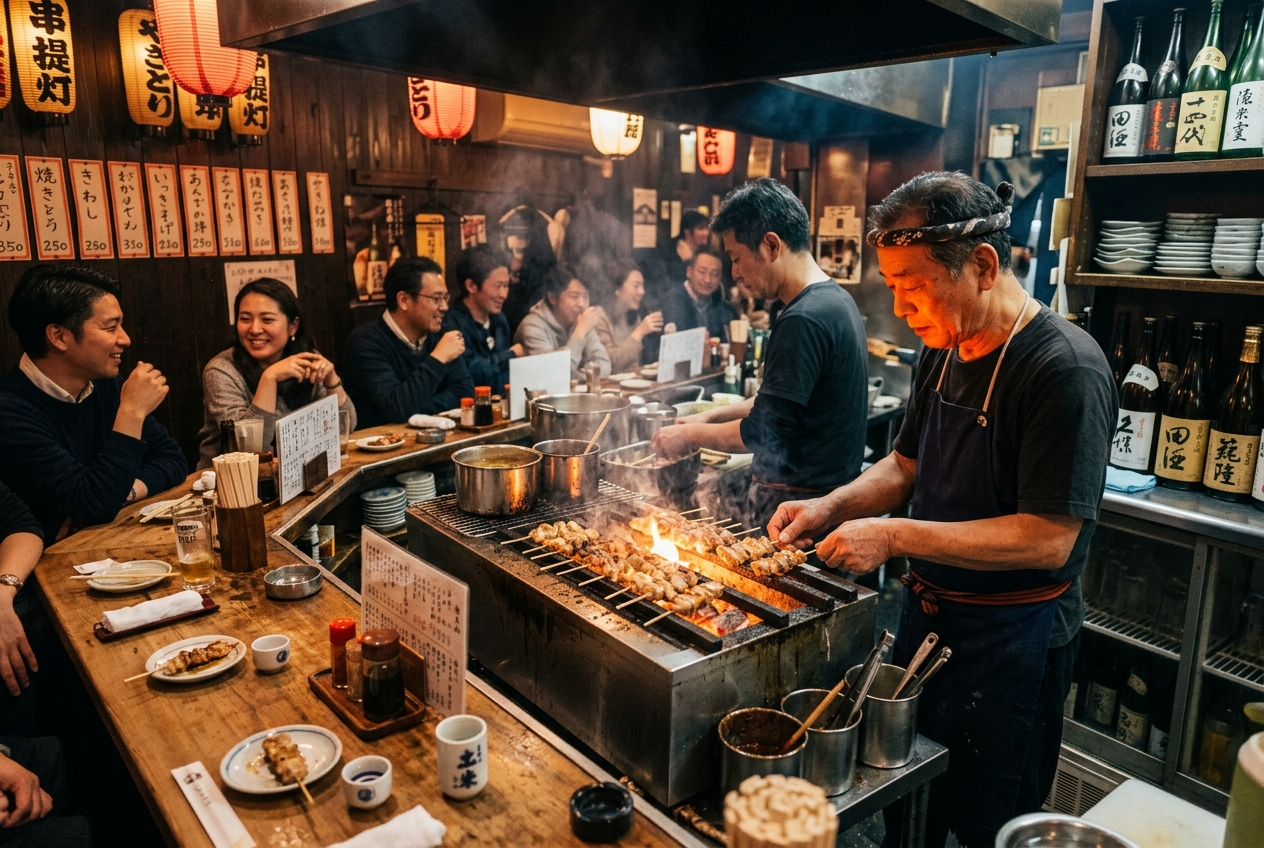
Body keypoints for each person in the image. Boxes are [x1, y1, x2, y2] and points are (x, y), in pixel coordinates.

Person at [769, 172, 1116, 848]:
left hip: (1013, 644)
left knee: (983, 825)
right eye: (893, 286)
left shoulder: (1063, 369)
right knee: (906, 802)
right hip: (929, 620)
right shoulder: (942, 348)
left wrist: (894, 536)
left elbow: (1048, 538)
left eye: (914, 285)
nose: (901, 308)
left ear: (983, 265)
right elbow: (904, 466)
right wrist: (828, 508)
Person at [652, 179, 868, 529]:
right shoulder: (835, 300)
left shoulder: (803, 319)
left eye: (737, 259)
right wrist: (707, 418)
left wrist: (687, 435)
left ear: (771, 245)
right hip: (820, 498)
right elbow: (777, 405)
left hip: (796, 508)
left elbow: (762, 432)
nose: (734, 274)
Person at [0, 264, 186, 542]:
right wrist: (132, 412)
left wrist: (123, 492)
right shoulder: (10, 411)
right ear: (59, 336)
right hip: (43, 568)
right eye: (111, 327)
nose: (125, 339)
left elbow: (173, 459)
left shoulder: (103, 383)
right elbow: (94, 504)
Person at [195, 279, 356, 468]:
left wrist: (331, 380)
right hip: (228, 486)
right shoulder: (221, 370)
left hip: (294, 477)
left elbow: (346, 427)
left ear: (293, 326)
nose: (254, 329)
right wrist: (270, 378)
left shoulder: (306, 359)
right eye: (245, 319)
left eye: (267, 320)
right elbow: (249, 450)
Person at [342, 257, 474, 428]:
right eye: (436, 299)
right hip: (384, 448)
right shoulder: (366, 342)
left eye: (445, 298)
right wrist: (437, 359)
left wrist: (416, 412)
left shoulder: (441, 333)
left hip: (436, 441)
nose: (444, 307)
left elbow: (464, 392)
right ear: (404, 300)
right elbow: (396, 408)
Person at [443, 244, 525, 390]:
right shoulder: (451, 324)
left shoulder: (500, 320)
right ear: (471, 286)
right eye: (497, 286)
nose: (503, 294)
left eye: (506, 285)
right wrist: (511, 354)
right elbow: (470, 373)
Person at [514, 266, 611, 380]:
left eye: (585, 296)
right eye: (574, 297)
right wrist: (579, 333)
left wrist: (575, 376)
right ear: (552, 298)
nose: (581, 304)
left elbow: (604, 366)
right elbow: (554, 375)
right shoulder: (532, 326)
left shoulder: (580, 321)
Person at [593, 263, 662, 373]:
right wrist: (639, 332)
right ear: (617, 289)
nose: (642, 292)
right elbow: (610, 364)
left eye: (642, 286)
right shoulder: (598, 317)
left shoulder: (634, 314)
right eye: (636, 286)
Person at [659, 248, 739, 342]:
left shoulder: (724, 309)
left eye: (714, 274)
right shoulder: (673, 302)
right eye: (702, 272)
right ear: (689, 272)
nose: (707, 280)